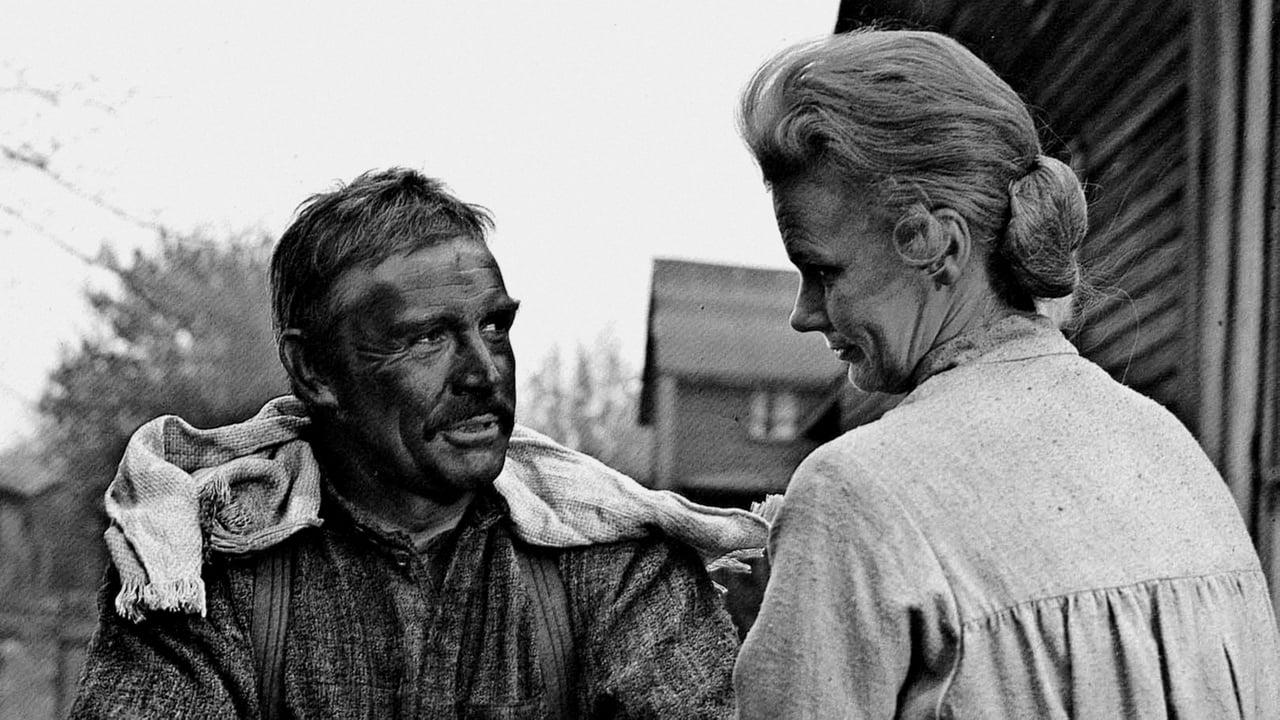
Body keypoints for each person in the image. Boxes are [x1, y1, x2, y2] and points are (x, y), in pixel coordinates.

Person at [732, 29, 1280, 719]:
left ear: (935, 244)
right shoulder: (1176, 455)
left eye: (821, 270)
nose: (804, 314)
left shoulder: (856, 493)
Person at [71, 168, 756, 719]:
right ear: (315, 371)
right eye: (426, 337)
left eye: (493, 327)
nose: (484, 373)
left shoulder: (614, 567)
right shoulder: (201, 573)